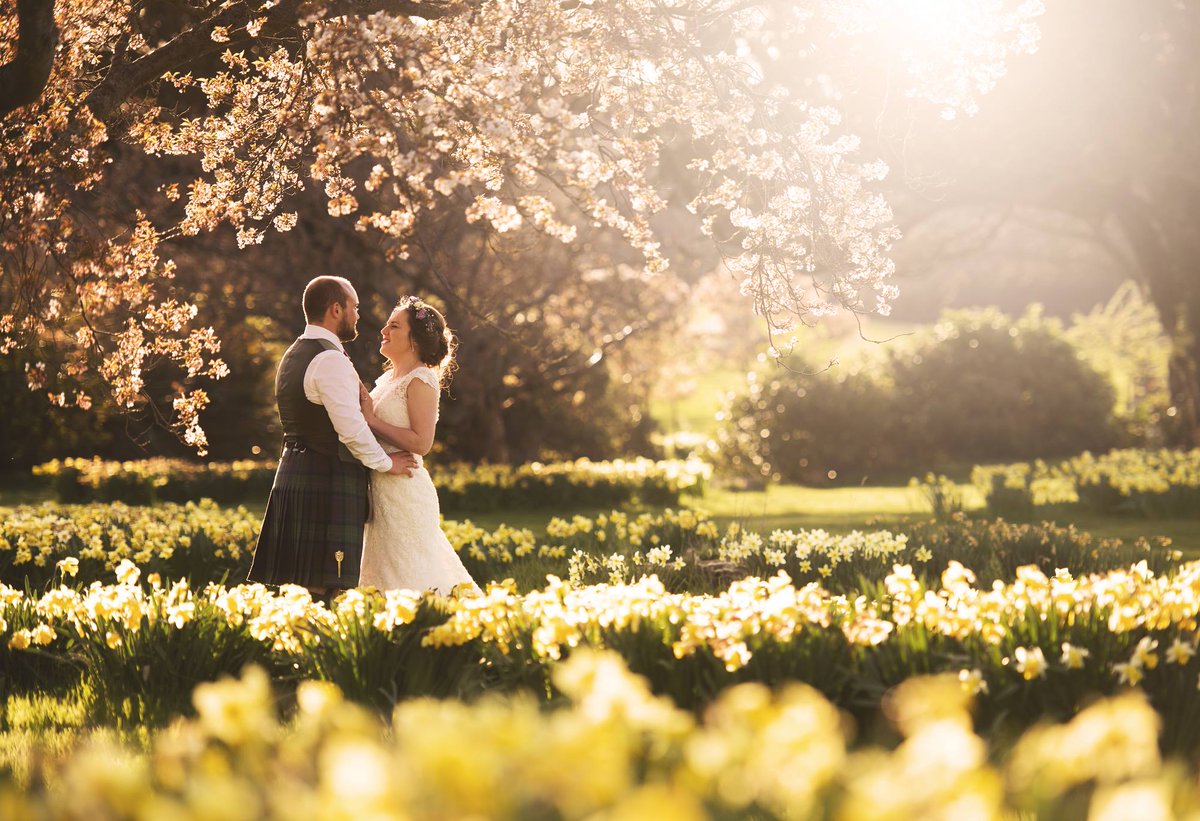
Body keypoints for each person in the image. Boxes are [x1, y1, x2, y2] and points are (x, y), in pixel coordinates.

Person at [248, 276, 416, 596]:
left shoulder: (296, 353)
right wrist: (386, 463)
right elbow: (351, 430)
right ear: (336, 309)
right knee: (324, 587)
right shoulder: (329, 359)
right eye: (354, 307)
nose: (358, 314)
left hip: (298, 471)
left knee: (303, 586)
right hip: (327, 476)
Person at [358, 296, 475, 594]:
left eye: (394, 325)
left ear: (414, 340)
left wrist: (372, 420)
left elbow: (422, 442)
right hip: (381, 486)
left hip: (405, 490)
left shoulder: (420, 380)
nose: (383, 330)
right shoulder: (386, 379)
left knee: (413, 572)